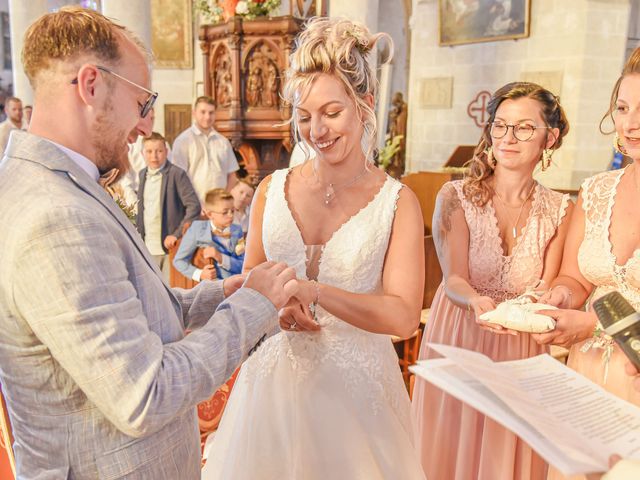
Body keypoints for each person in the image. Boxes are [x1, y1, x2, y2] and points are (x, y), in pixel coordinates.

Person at [0, 7, 304, 479]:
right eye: (142, 103)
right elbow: (146, 393)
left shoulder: (57, 183)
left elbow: (127, 308)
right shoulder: (54, 217)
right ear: (91, 85)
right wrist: (255, 307)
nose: (146, 127)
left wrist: (222, 293)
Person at [201, 18, 426, 479]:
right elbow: (252, 285)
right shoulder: (270, 190)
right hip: (272, 393)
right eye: (304, 117)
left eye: (331, 112)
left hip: (358, 398)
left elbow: (403, 317)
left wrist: (314, 292)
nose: (317, 130)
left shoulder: (398, 203)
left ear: (363, 106)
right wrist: (276, 308)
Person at [412, 81, 573, 480]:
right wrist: (478, 304)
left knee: (504, 452)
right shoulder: (455, 196)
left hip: (518, 341)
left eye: (523, 128)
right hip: (460, 330)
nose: (508, 137)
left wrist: (551, 303)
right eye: (500, 126)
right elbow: (455, 280)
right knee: (451, 445)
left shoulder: (560, 209)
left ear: (549, 138)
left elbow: (549, 284)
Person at [532, 47, 640, 480]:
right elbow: (575, 277)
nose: (631, 124)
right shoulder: (596, 190)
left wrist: (592, 325)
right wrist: (556, 297)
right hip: (589, 376)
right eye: (622, 107)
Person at [136, 131, 200, 281]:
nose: (154, 156)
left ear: (166, 152)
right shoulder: (141, 174)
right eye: (149, 151)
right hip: (147, 246)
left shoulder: (177, 174)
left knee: (171, 290)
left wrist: (176, 234)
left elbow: (194, 206)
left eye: (159, 151)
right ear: (142, 153)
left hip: (169, 246)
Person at [172, 96, 239, 203]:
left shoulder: (223, 142)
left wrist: (224, 200)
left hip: (219, 207)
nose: (207, 117)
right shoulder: (183, 141)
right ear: (194, 113)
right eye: (203, 112)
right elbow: (178, 177)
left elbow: (232, 175)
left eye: (211, 112)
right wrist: (192, 204)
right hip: (193, 205)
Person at [174, 188, 245, 281]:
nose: (231, 215)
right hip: (212, 287)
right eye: (225, 212)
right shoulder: (198, 229)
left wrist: (221, 257)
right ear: (210, 214)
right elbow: (179, 261)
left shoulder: (237, 230)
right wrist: (200, 274)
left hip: (236, 283)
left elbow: (243, 264)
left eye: (232, 210)